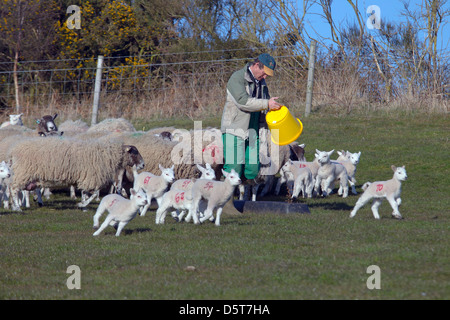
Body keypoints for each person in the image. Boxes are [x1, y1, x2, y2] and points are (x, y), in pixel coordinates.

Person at [220, 53, 281, 183]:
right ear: (257, 65)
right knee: (234, 168)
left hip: (253, 128)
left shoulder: (261, 82)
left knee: (253, 168)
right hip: (234, 127)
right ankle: (227, 200)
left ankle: (246, 197)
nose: (265, 77)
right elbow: (242, 101)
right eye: (264, 73)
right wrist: (266, 104)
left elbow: (265, 103)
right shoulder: (237, 78)